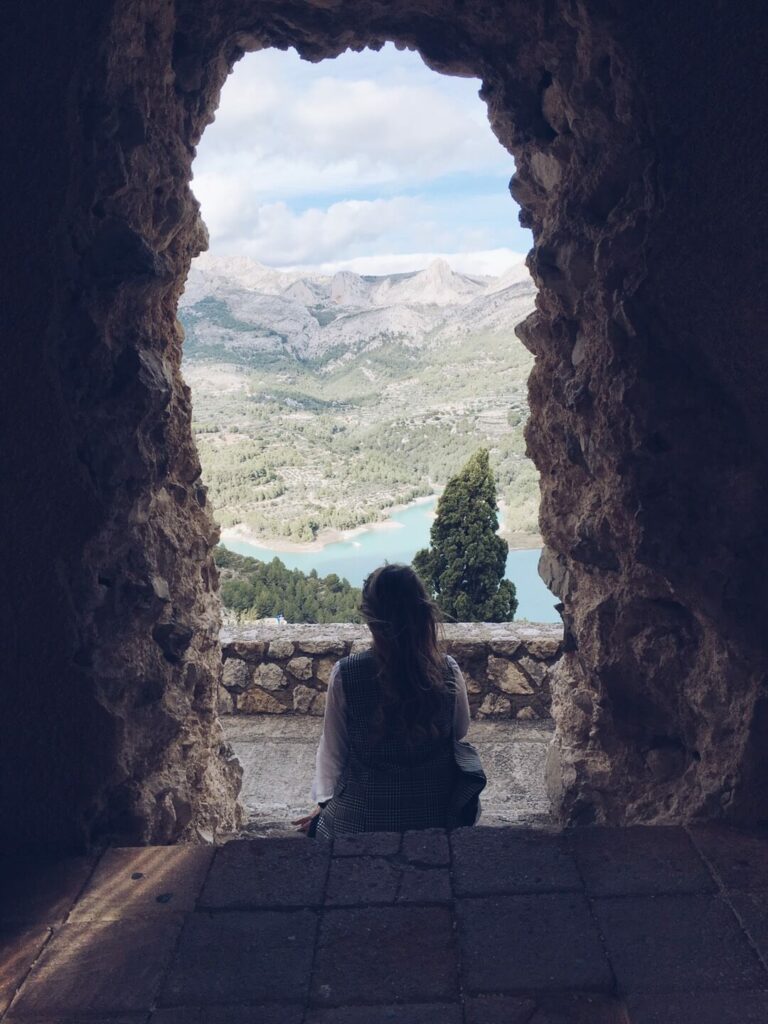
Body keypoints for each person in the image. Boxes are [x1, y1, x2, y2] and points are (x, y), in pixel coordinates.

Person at [292, 563, 484, 837]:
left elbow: (334, 753)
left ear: (371, 619)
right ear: (423, 613)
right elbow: (460, 729)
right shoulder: (448, 669)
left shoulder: (346, 674)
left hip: (362, 819)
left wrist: (327, 808)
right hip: (439, 814)